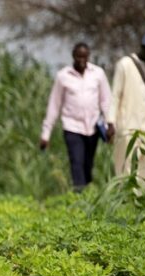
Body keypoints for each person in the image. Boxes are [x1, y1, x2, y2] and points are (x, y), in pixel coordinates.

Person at [39, 43, 113, 192]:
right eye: (79, 56)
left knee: (87, 163)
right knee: (76, 161)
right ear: (73, 56)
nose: (81, 60)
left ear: (89, 57)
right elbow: (54, 105)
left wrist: (110, 123)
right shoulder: (63, 76)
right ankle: (79, 193)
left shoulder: (97, 74)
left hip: (93, 126)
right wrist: (46, 134)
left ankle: (86, 190)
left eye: (84, 57)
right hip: (72, 126)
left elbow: (106, 100)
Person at [108, 30, 145, 192]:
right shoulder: (125, 64)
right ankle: (126, 197)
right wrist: (111, 122)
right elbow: (115, 95)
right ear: (143, 47)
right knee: (125, 164)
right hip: (127, 124)